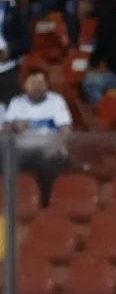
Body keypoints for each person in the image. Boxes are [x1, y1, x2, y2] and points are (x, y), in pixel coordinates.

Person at [3, 68, 72, 204]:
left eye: (41, 83)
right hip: (22, 151)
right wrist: (15, 125)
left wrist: (55, 147)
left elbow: (66, 130)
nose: (37, 87)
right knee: (5, 161)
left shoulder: (56, 101)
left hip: (48, 150)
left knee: (48, 164)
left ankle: (45, 205)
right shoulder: (17, 102)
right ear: (25, 85)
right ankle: (12, 204)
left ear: (47, 85)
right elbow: (5, 130)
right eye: (33, 83)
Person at [0, 0, 31, 105]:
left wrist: (10, 51)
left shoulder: (12, 13)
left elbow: (26, 42)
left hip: (6, 70)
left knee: (13, 116)